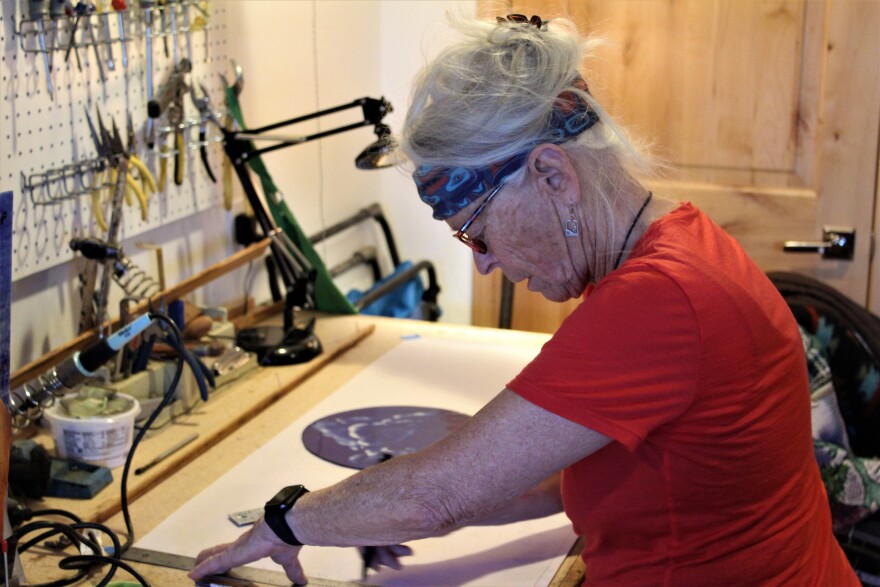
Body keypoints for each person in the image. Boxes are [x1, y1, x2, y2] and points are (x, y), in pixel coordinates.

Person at [190, 13, 859, 586]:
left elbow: (440, 495)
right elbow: (556, 471)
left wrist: (290, 517)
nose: (482, 264)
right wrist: (371, 505)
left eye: (477, 231)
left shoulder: (660, 300)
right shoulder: (678, 247)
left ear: (551, 173)